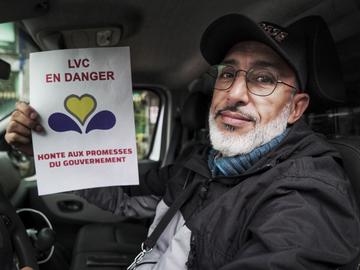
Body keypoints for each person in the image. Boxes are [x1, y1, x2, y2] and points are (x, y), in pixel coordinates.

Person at [5, 14, 360, 270]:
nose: (235, 93)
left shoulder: (307, 193)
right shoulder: (205, 161)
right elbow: (127, 196)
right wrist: (50, 152)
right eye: (228, 73)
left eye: (263, 79)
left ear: (296, 108)